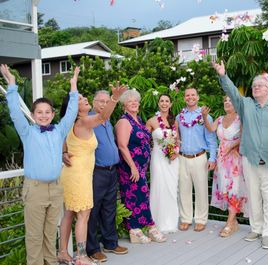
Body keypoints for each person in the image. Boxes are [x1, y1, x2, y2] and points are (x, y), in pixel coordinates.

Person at [212, 61, 268, 249]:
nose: (255, 88)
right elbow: (233, 93)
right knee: (253, 196)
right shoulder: (245, 105)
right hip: (249, 158)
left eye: (259, 85)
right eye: (253, 86)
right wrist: (223, 75)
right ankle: (256, 228)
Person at [1, 64, 78, 265]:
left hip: (55, 188)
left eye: (47, 112)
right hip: (34, 190)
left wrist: (73, 87)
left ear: (52, 114)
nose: (43, 115)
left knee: (50, 233)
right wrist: (12, 85)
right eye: (39, 112)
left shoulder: (59, 131)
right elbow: (15, 113)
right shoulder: (27, 132)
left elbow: (71, 113)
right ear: (34, 115)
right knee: (34, 236)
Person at [58, 81, 127, 265]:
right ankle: (82, 256)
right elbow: (102, 118)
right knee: (84, 215)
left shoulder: (72, 123)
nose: (84, 98)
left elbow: (63, 139)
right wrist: (114, 98)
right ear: (74, 106)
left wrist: (64, 151)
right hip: (80, 175)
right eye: (80, 99)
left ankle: (63, 253)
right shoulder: (83, 120)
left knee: (69, 214)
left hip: (73, 173)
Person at [115, 89, 167, 244]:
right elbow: (122, 146)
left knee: (141, 197)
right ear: (124, 104)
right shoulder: (124, 121)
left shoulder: (137, 120)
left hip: (140, 168)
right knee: (133, 197)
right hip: (130, 168)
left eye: (136, 100)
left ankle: (144, 227)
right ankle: (136, 229)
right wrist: (132, 166)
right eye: (130, 101)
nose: (134, 103)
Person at [201, 96, 248, 237]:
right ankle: (234, 223)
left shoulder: (241, 118)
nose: (227, 102)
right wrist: (204, 116)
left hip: (235, 158)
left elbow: (245, 136)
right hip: (222, 159)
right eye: (225, 101)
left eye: (230, 100)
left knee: (234, 189)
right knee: (224, 189)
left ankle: (229, 222)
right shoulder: (220, 119)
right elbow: (210, 129)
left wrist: (232, 145)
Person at [177, 87, 218, 232]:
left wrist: (212, 158)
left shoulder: (205, 116)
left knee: (201, 190)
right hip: (182, 158)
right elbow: (176, 138)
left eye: (193, 95)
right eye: (187, 95)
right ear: (184, 98)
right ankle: (186, 218)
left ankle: (201, 219)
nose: (190, 97)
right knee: (184, 190)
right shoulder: (179, 117)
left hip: (199, 157)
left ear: (198, 97)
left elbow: (212, 140)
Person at [146, 94, 180, 233]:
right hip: (158, 158)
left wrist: (175, 152)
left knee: (171, 189)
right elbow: (144, 141)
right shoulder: (151, 121)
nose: (164, 103)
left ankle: (171, 222)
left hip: (172, 159)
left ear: (170, 104)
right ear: (158, 103)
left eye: (167, 101)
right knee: (159, 186)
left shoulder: (174, 121)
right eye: (162, 101)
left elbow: (177, 140)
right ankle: (157, 222)